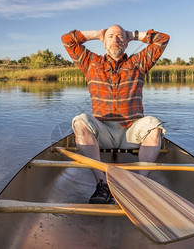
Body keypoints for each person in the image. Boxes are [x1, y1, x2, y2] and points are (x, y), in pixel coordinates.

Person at [61, 25, 170, 204]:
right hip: (103, 130)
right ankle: (102, 183)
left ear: (127, 43)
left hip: (131, 131)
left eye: (120, 37)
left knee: (154, 124)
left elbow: (162, 39)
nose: (115, 40)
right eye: (111, 36)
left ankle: (140, 184)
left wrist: (132, 35)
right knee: (80, 121)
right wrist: (98, 34)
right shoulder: (90, 62)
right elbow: (68, 39)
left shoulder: (139, 62)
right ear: (104, 41)